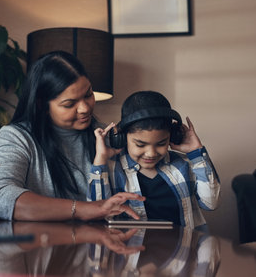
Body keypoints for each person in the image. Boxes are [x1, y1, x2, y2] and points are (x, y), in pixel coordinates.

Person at [0, 51, 144, 221]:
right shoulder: (15, 137)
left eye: (88, 95)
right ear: (42, 105)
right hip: (41, 244)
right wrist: (85, 209)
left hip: (100, 241)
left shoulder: (106, 135)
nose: (85, 108)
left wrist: (177, 149)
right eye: (69, 104)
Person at [91, 90, 220, 230]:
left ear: (172, 137)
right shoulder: (111, 169)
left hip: (183, 248)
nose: (151, 153)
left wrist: (197, 153)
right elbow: (97, 217)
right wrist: (100, 160)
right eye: (140, 145)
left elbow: (211, 203)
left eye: (161, 144)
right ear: (120, 138)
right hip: (131, 249)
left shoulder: (185, 164)